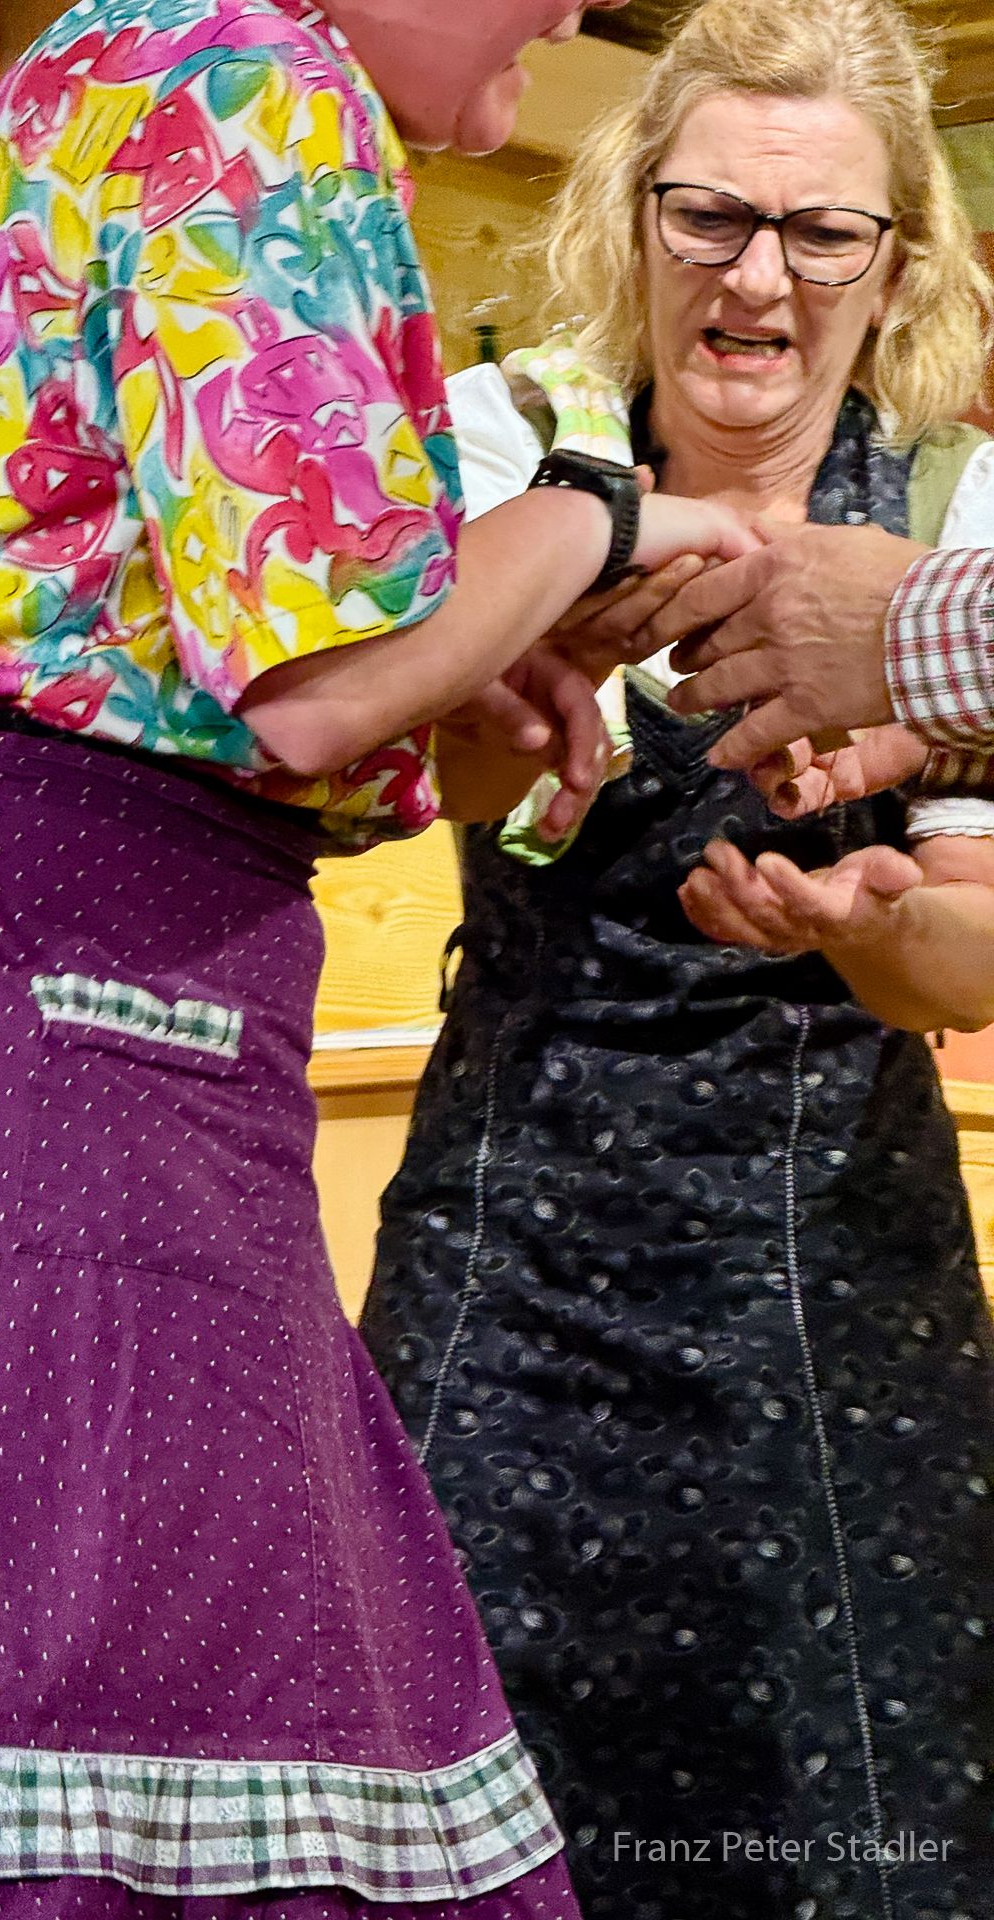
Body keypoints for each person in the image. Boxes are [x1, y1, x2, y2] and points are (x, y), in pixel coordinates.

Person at [0, 0, 760, 1916]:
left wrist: (474, 660)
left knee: (160, 1671)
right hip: (13, 985)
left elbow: (266, 694)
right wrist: (588, 515)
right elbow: (319, 685)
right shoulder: (245, 62)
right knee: (42, 1662)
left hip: (45, 977)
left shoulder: (158, 56)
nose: (578, 8)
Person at [361, 6, 994, 1919]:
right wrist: (526, 698)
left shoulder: (957, 524)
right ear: (632, 216)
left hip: (835, 1274)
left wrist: (876, 925)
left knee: (847, 1822)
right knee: (459, 1814)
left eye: (823, 234)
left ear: (898, 263)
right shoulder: (505, 448)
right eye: (711, 215)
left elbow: (966, 966)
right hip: (512, 1244)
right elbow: (428, 776)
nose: (759, 278)